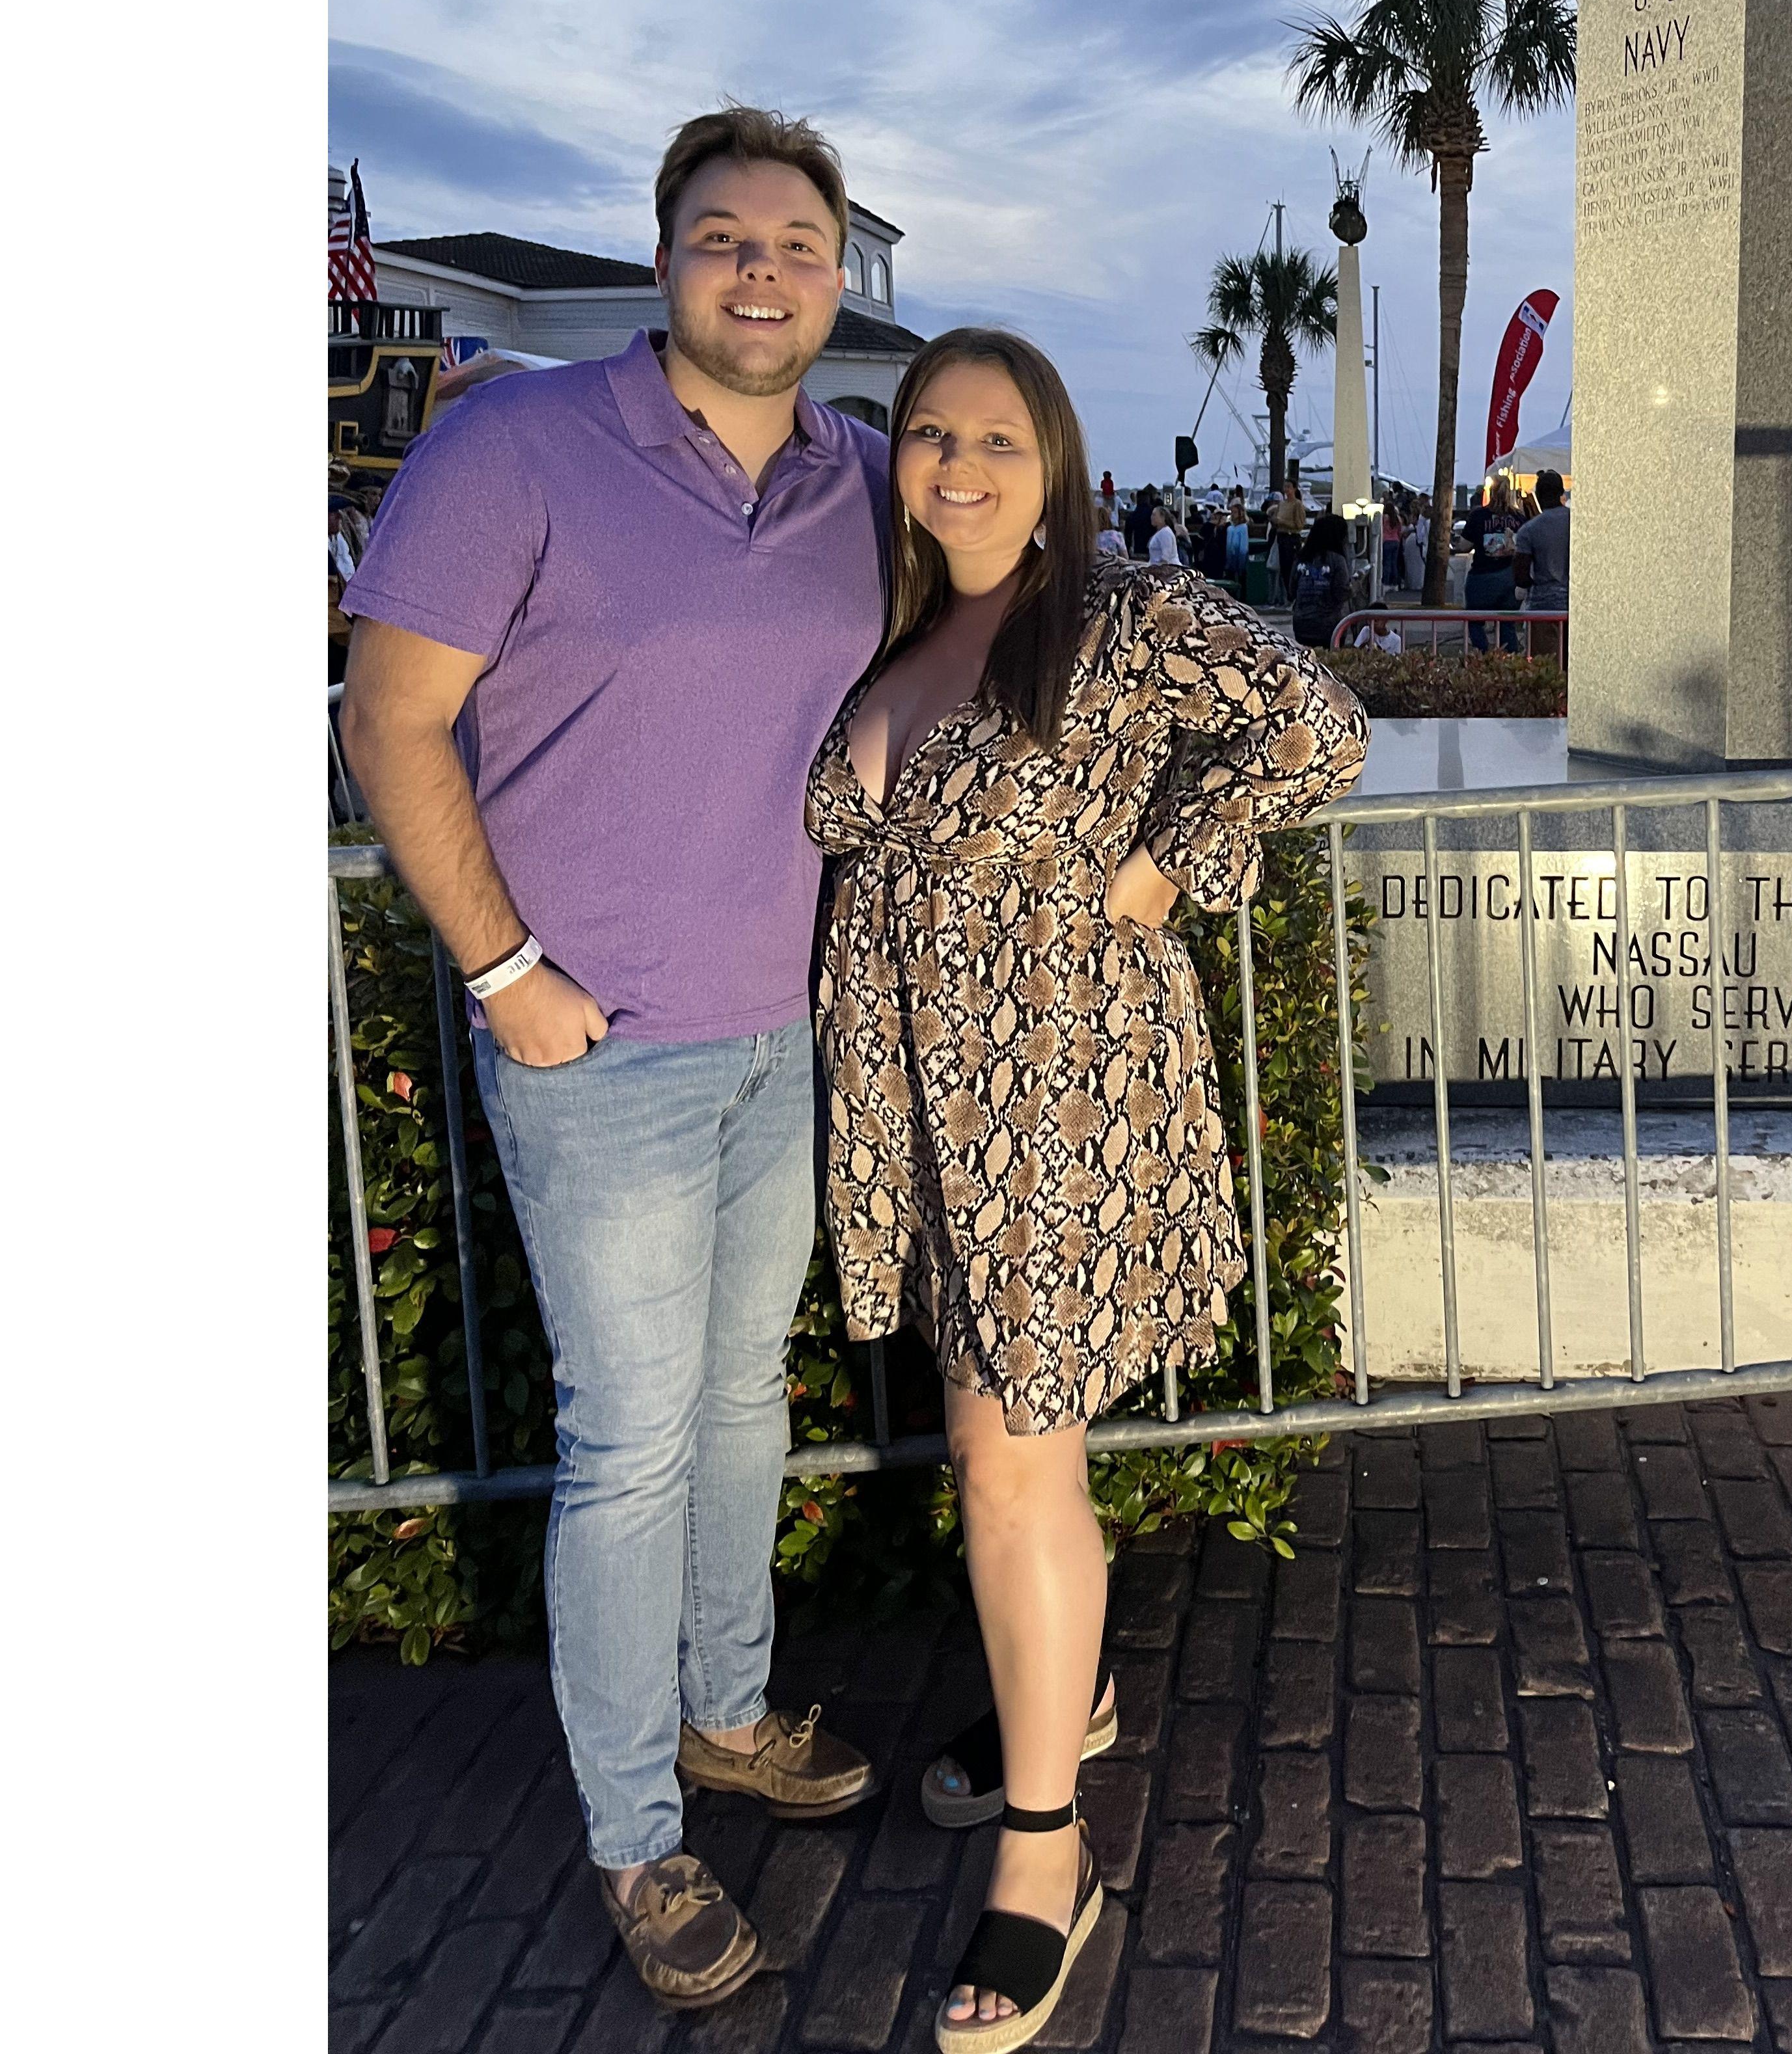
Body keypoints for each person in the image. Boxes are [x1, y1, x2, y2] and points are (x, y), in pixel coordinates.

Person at [338, 107, 888, 2015]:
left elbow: (1012, 608)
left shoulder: (860, 475)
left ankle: (728, 1714)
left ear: (838, 277)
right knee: (632, 1441)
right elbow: (388, 720)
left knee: (741, 1406)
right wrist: (504, 971)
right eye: (725, 236)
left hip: (784, 1033)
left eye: (797, 243)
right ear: (663, 261)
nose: (762, 270)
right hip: (597, 1052)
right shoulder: (514, 448)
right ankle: (637, 1836)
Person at [809, 330, 1366, 2046]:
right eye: (930, 432)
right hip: (919, 1104)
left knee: (1006, 1461)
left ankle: (1046, 1855)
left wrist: (1168, 862)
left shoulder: (1123, 615)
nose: (959, 464)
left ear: (1054, 462)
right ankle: (1073, 1691)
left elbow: (1321, 730)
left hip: (1057, 1095)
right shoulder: (898, 632)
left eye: (998, 437)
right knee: (995, 1444)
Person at [1461, 488, 1521, 651]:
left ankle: (1483, 655)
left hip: (1481, 576)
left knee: (1475, 620)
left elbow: (1464, 545)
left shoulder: (1478, 516)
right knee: (1507, 623)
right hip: (1509, 577)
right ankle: (1510, 659)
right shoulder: (1519, 518)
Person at [1515, 469, 1571, 639]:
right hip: (1576, 604)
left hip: (1543, 607)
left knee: (1543, 654)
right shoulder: (1578, 523)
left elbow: (1521, 577)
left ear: (1538, 496)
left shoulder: (1529, 530)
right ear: (1561, 493)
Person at [1289, 508, 1355, 647]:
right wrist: (1354, 588)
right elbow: (1341, 593)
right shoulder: (1337, 560)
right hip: (1331, 625)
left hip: (1302, 623)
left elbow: (1292, 589)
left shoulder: (1302, 558)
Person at [1269, 475, 1309, 596]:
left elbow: (1300, 525)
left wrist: (1282, 522)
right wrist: (1274, 520)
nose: (1286, 489)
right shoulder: (1282, 504)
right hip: (1281, 537)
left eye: (1289, 487)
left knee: (1291, 568)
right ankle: (1287, 595)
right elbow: (1276, 517)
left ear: (1294, 489)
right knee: (1284, 569)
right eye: (1285, 487)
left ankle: (1293, 595)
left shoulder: (1297, 504)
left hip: (1291, 538)